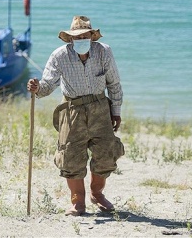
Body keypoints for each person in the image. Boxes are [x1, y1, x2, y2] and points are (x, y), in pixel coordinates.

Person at [27, 15, 125, 216]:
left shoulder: (103, 52)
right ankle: (77, 201)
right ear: (70, 39)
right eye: (76, 37)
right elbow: (47, 86)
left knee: (107, 154)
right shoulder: (59, 56)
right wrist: (36, 88)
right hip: (72, 111)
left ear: (91, 35)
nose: (81, 40)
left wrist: (116, 112)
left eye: (84, 36)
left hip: (100, 108)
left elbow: (114, 84)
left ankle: (97, 194)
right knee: (70, 157)